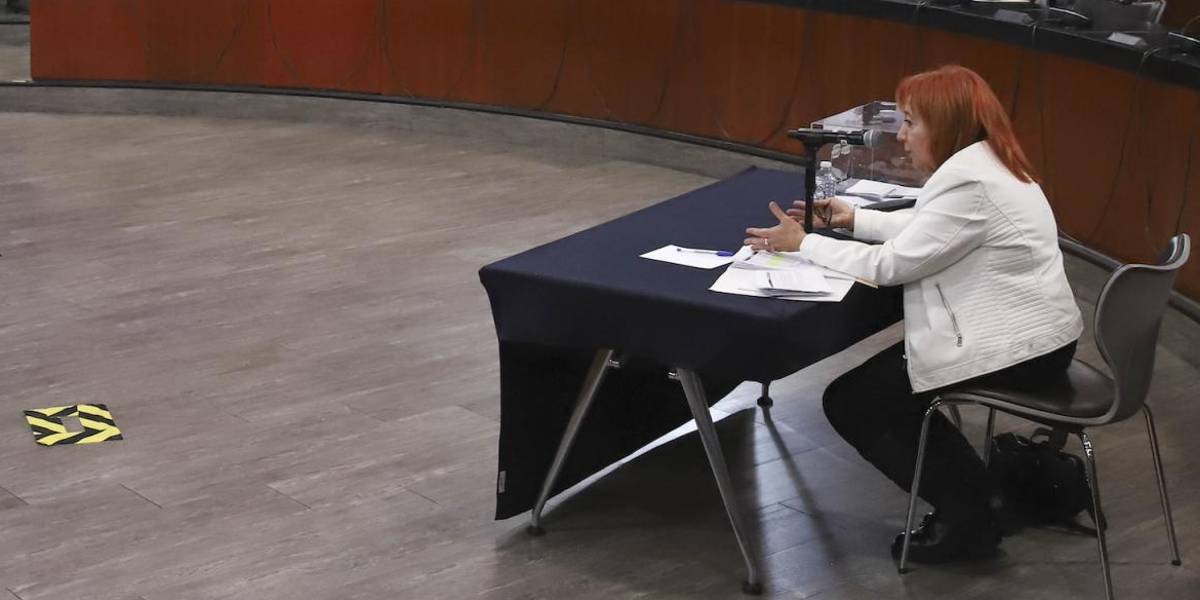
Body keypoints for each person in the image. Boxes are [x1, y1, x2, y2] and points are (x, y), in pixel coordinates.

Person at [744, 65, 1083, 563]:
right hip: (1038, 336)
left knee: (857, 401)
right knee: (877, 393)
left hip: (1016, 349)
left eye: (910, 123)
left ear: (945, 126)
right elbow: (931, 226)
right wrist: (854, 218)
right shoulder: (988, 162)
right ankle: (978, 500)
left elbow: (891, 266)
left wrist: (805, 244)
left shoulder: (969, 182)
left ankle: (968, 519)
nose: (902, 136)